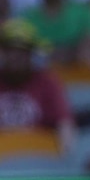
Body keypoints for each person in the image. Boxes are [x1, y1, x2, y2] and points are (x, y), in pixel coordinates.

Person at [0, 19, 76, 152]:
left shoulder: (47, 82)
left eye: (22, 51)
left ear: (31, 53)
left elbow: (65, 124)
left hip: (38, 157)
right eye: (10, 50)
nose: (16, 56)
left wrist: (67, 152)